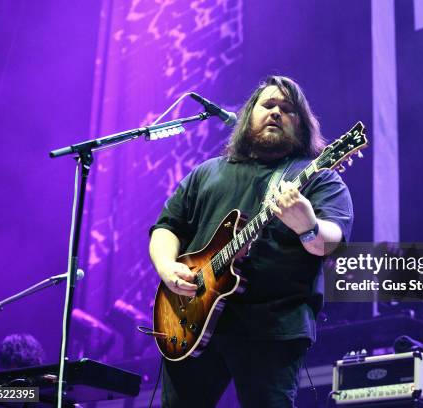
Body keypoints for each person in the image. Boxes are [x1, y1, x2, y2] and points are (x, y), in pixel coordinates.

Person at [149, 75, 354, 407]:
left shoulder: (319, 176)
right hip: (189, 318)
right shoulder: (208, 172)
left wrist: (309, 225)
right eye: (267, 105)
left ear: (301, 124)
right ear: (248, 114)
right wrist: (168, 267)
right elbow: (166, 227)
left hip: (272, 327)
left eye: (287, 109)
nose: (275, 112)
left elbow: (331, 242)